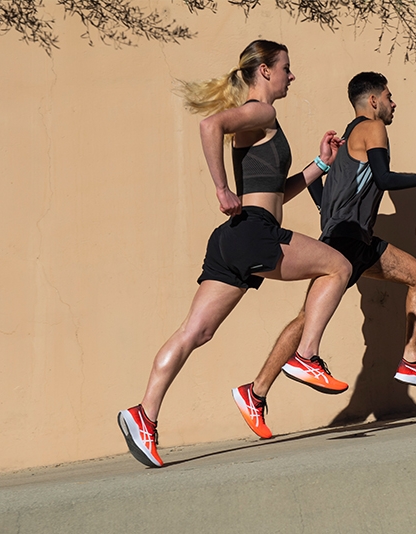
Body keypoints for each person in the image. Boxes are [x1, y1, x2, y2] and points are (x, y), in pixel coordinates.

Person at [117, 40, 353, 467]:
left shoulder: (261, 121)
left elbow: (275, 193)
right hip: (254, 231)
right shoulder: (263, 111)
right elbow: (210, 126)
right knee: (338, 266)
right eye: (286, 67)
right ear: (264, 70)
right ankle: (305, 355)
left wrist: (320, 165)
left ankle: (144, 415)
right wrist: (222, 188)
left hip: (234, 235)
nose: (290, 76)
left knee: (195, 332)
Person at [235, 71, 416, 437]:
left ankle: (412, 360)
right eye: (389, 96)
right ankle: (255, 391)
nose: (393, 103)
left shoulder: (347, 140)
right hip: (346, 240)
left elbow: (322, 196)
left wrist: (328, 186)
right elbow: (382, 179)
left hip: (358, 238)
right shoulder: (372, 127)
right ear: (372, 101)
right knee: (307, 320)